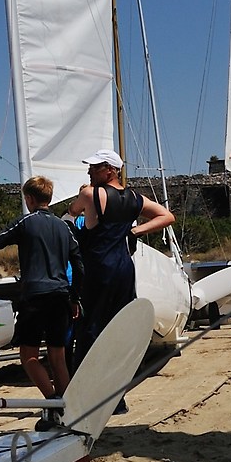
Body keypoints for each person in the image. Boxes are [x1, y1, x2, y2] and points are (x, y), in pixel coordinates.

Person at [0, 176, 80, 398]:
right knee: (58, 355)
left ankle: (51, 400)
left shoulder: (25, 222)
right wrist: (75, 297)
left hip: (35, 297)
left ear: (29, 199)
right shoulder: (64, 227)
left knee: (28, 356)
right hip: (61, 296)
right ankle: (67, 406)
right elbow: (79, 265)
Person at [73, 150, 175, 359]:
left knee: (91, 321)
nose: (89, 171)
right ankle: (121, 370)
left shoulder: (91, 194)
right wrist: (135, 231)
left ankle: (88, 372)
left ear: (110, 170)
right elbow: (167, 216)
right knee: (120, 320)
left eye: (94, 167)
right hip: (124, 267)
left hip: (99, 266)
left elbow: (72, 210)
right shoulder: (135, 198)